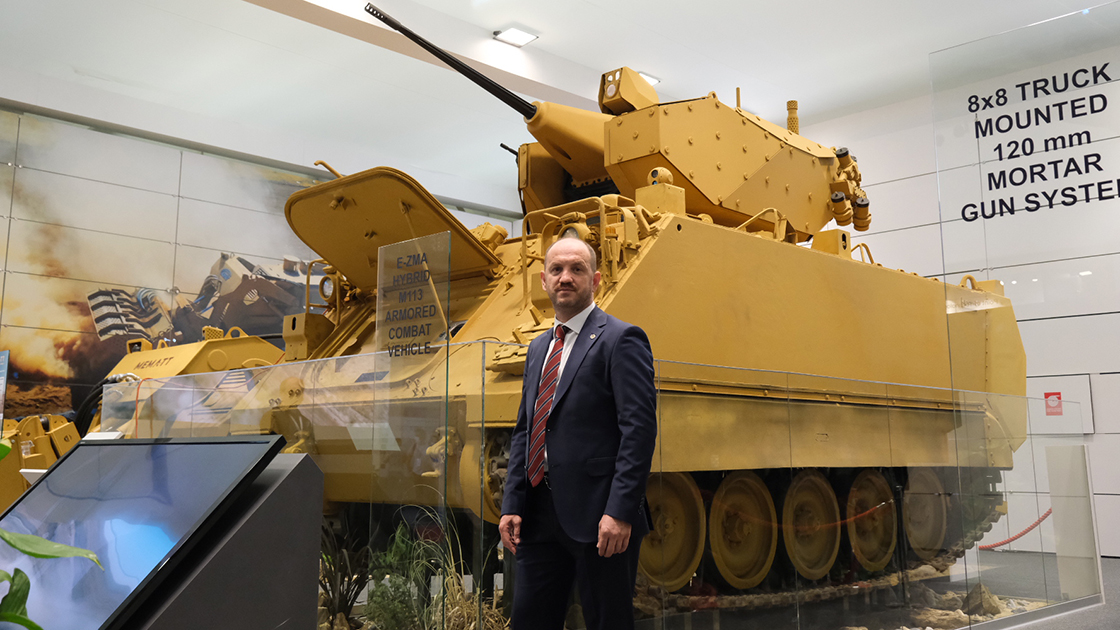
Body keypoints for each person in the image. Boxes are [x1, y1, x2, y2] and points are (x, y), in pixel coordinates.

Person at [499, 236, 657, 630]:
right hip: (539, 513)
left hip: (600, 516)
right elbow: (526, 429)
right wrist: (512, 502)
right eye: (556, 270)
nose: (565, 277)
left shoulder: (621, 339)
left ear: (596, 280)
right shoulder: (538, 348)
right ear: (543, 280)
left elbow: (638, 431)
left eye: (576, 269)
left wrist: (619, 512)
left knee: (607, 621)